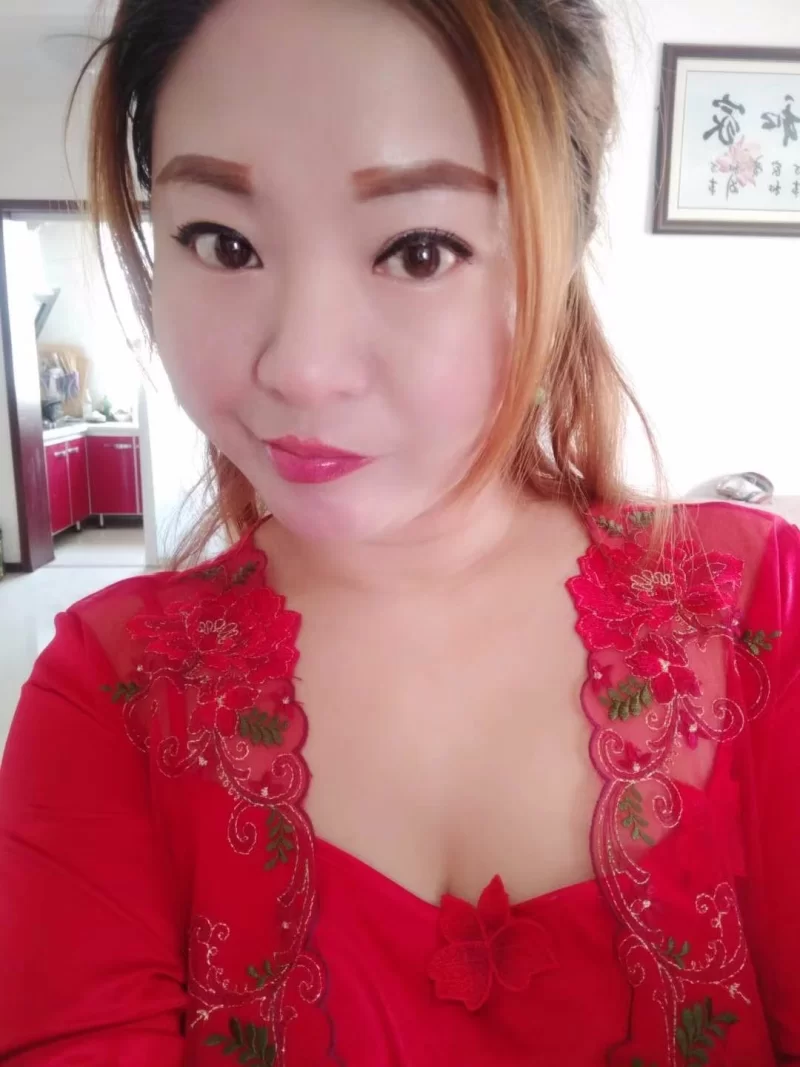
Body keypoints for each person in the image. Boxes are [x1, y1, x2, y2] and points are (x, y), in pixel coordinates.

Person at [0, 0, 798, 1063]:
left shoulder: (758, 613)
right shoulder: (106, 692)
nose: (301, 367)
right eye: (222, 242)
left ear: (555, 256)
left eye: (419, 250)